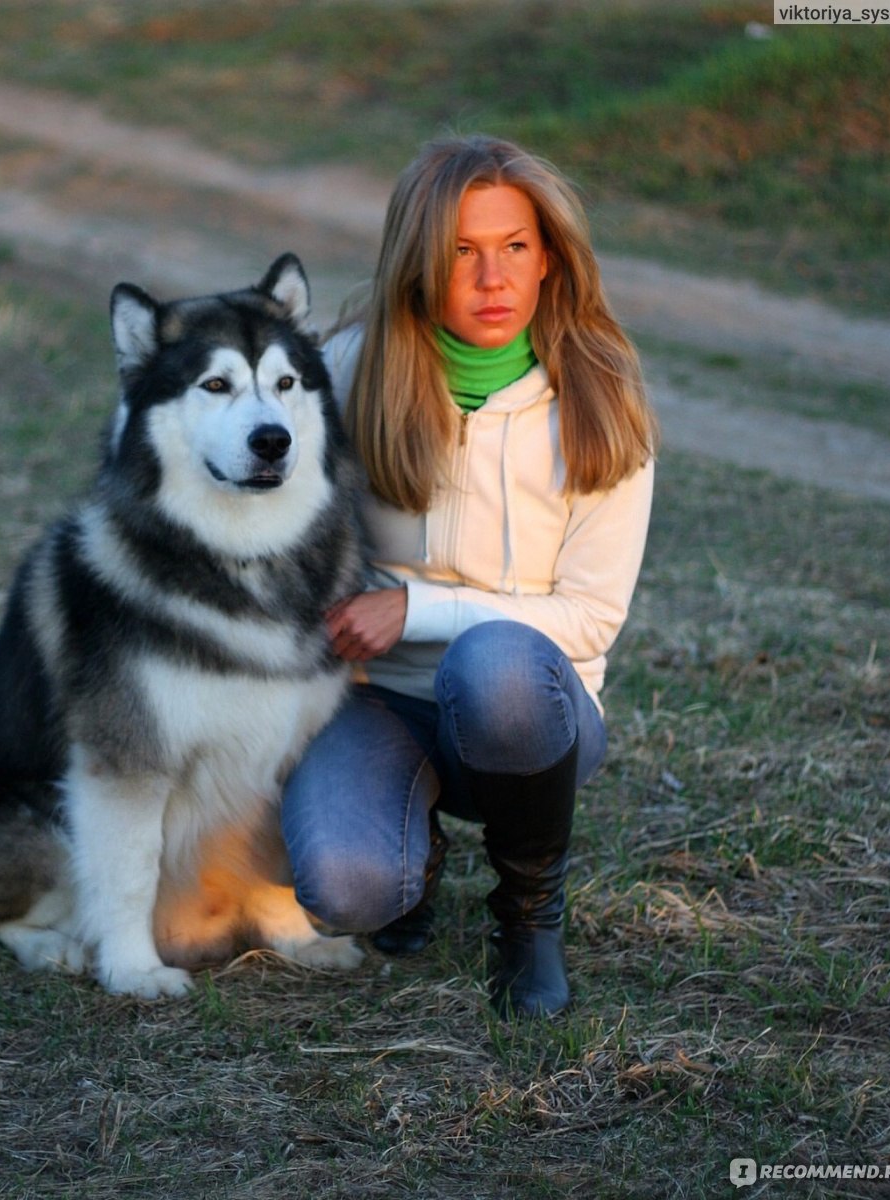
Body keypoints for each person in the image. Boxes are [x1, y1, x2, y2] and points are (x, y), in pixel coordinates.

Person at [280, 134, 659, 1019]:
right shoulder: (348, 370)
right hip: (375, 699)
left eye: (514, 248)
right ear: (418, 263)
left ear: (549, 258)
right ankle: (409, 861)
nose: (492, 279)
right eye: (462, 252)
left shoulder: (603, 397)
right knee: (345, 891)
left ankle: (529, 915)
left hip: (530, 703)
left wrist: (416, 606)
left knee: (493, 662)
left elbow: (591, 618)